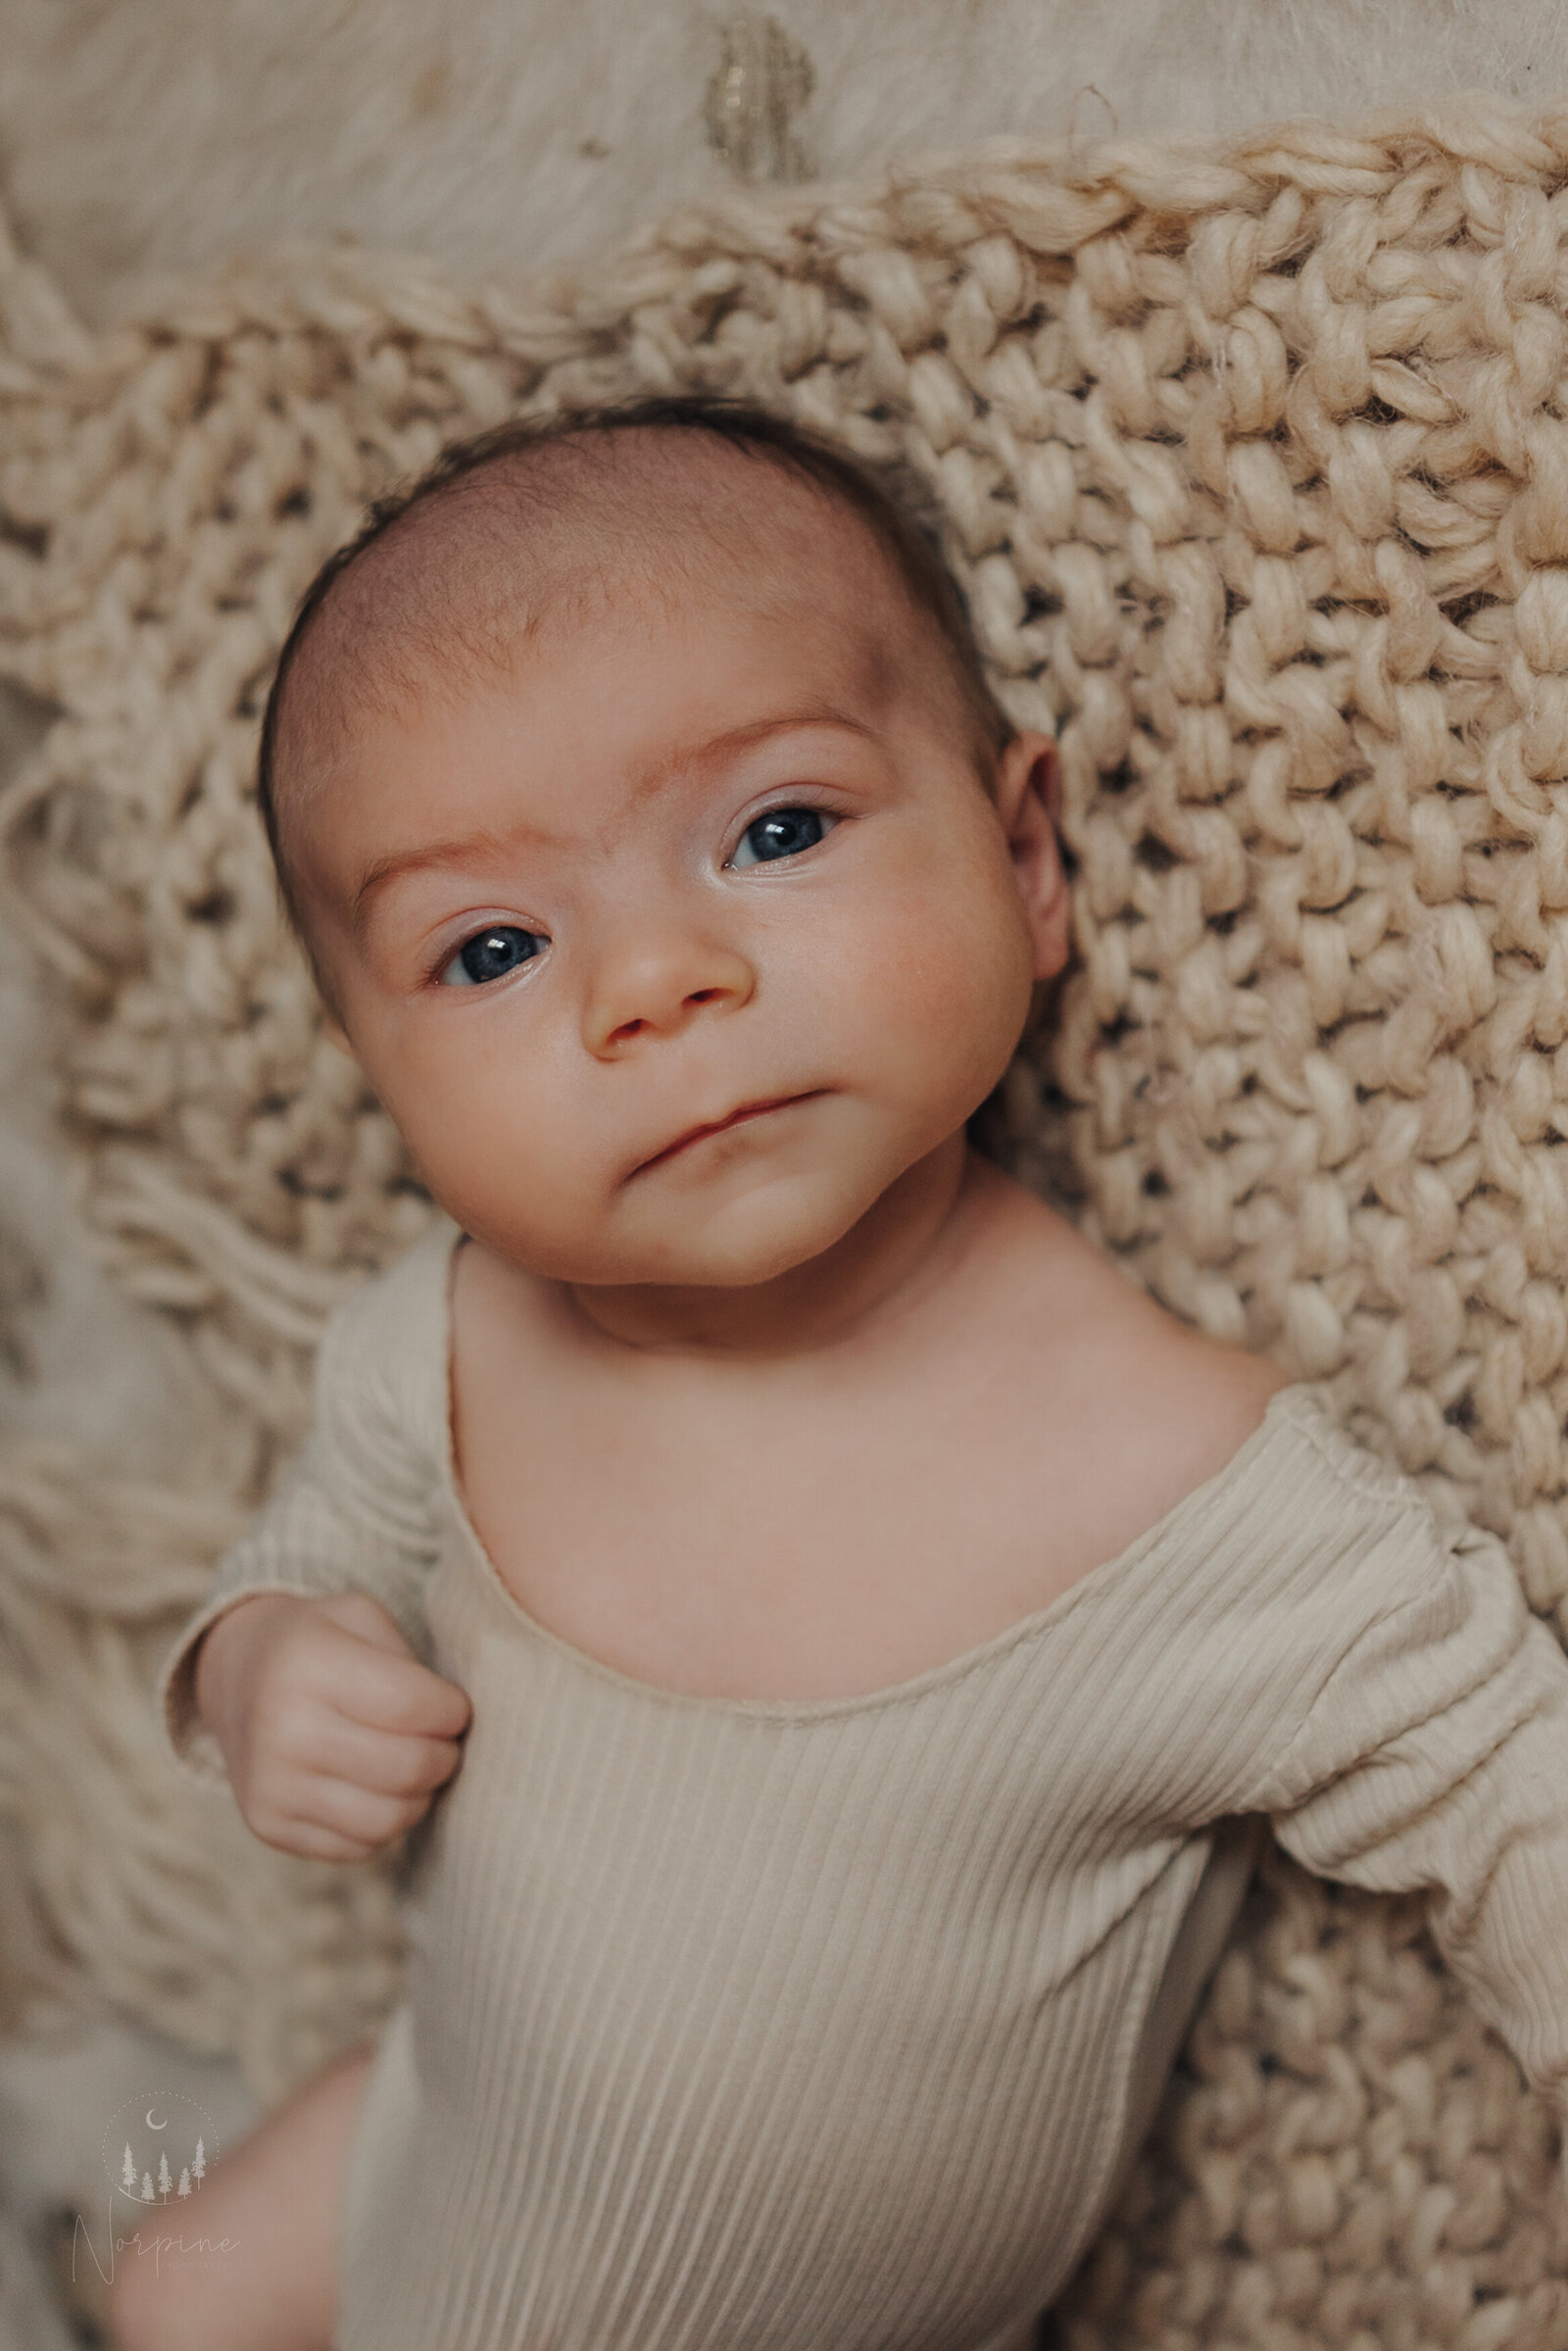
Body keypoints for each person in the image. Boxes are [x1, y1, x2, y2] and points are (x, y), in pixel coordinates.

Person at [112, 398, 1568, 2351]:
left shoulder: (1165, 1489)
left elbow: (1503, 1789)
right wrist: (260, 1663)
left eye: (775, 831)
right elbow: (296, 1551)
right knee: (169, 2277)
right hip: (397, 2187)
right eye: (487, 951)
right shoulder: (440, 1348)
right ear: (375, 1082)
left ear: (1025, 856)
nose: (653, 984)